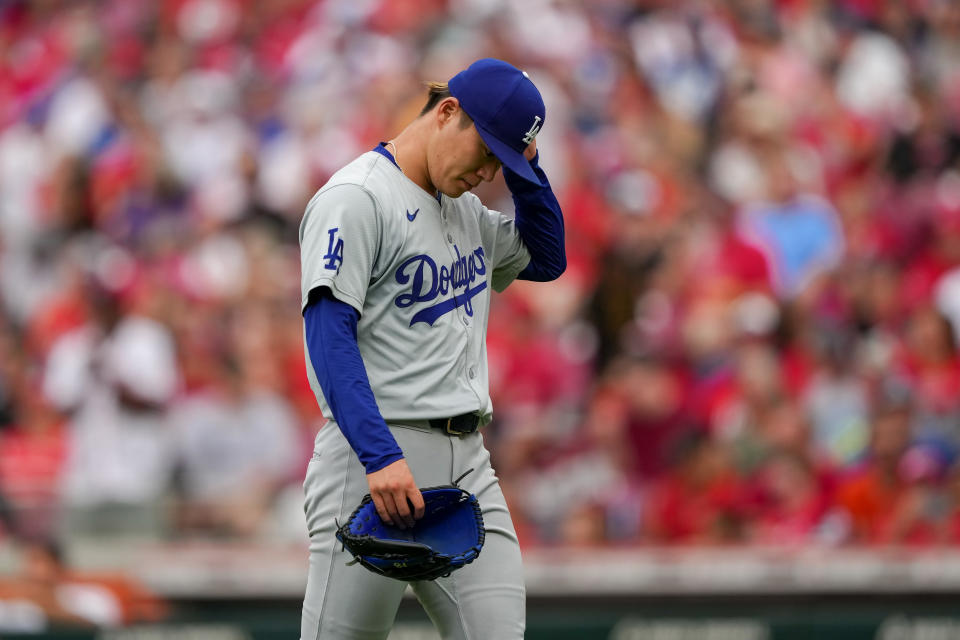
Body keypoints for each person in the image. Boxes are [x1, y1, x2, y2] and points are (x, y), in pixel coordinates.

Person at [298, 58, 565, 639]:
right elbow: (327, 335)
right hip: (375, 460)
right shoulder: (358, 196)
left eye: (503, 162)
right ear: (448, 112)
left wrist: (526, 170)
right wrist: (378, 456)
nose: (489, 173)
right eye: (487, 153)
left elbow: (547, 259)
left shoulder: (466, 209)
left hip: (469, 461)